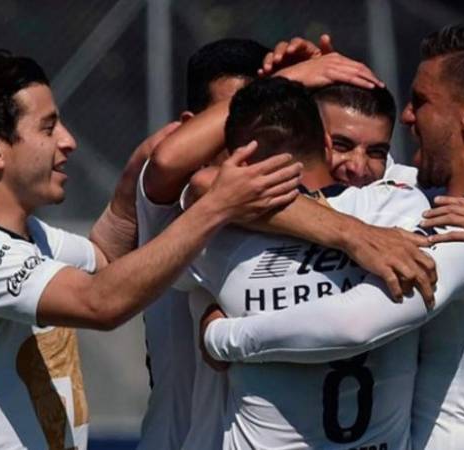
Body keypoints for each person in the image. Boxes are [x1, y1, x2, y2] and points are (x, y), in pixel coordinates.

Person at [0, 50, 300, 449]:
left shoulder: (35, 237)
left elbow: (105, 259)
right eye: (48, 127)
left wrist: (139, 173)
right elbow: (100, 302)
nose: (68, 141)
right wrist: (217, 206)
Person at [201, 25, 464, 449]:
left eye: (422, 101)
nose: (409, 117)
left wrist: (221, 338)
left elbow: (354, 325)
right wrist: (314, 96)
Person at [184, 76, 431, 449]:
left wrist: (214, 329)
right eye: (342, 145)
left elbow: (191, 180)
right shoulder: (399, 210)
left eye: (376, 152)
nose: (358, 167)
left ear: (242, 161)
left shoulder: (218, 236)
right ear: (324, 144)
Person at [136, 37, 274, 450]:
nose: (248, 143)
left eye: (263, 121)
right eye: (232, 122)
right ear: (192, 125)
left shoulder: (287, 197)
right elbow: (165, 161)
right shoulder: (171, 204)